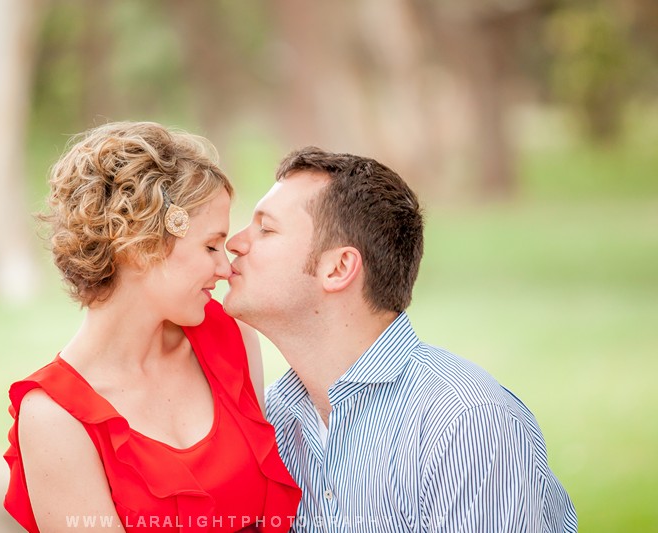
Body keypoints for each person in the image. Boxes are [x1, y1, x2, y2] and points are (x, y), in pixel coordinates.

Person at [223, 147, 578, 532]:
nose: (234, 243)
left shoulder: (465, 423)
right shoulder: (270, 419)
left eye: (266, 229)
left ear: (339, 268)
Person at [3, 122, 301, 532]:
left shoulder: (231, 339)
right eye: (210, 246)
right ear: (141, 246)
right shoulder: (55, 418)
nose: (225, 267)